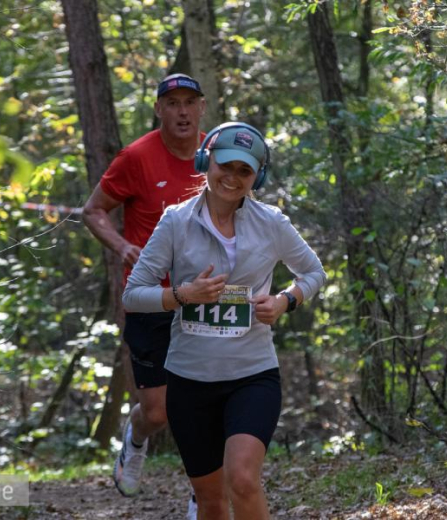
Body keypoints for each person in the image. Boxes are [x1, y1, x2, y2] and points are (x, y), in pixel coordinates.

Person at [122, 122, 326, 519]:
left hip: (252, 374)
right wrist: (182, 295)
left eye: (244, 171)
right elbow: (133, 294)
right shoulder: (176, 222)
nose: (232, 178)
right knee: (211, 501)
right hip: (189, 379)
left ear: (257, 177)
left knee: (244, 479)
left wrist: (286, 300)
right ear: (206, 161)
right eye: (225, 166)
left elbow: (314, 273)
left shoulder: (272, 223)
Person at [82, 73, 206, 514]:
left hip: (204, 298)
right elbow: (93, 210)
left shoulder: (216, 156)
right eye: (173, 104)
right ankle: (134, 440)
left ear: (202, 108)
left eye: (190, 102)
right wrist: (122, 246)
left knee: (202, 400)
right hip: (151, 298)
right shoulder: (135, 157)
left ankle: (201, 499)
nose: (183, 112)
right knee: (159, 411)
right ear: (159, 110)